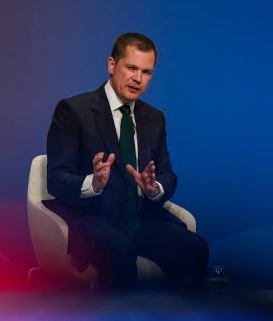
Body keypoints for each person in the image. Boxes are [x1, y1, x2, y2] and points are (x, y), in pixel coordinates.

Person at [43, 33, 208, 290]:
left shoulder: (154, 118)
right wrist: (93, 183)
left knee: (195, 249)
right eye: (131, 67)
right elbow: (55, 179)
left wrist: (155, 190)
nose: (138, 78)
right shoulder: (73, 110)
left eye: (146, 72)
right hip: (94, 218)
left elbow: (167, 175)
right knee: (119, 250)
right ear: (112, 65)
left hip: (140, 219)